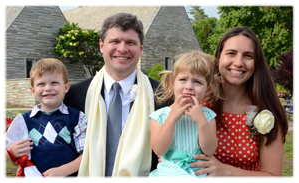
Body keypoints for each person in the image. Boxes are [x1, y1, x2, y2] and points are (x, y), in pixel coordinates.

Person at [63, 13, 170, 176]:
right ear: (101, 46)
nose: (122, 48)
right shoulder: (75, 95)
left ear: (141, 48)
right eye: (114, 41)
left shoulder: (163, 96)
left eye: (130, 42)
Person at [190, 26, 288, 176]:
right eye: (231, 53)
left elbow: (273, 176)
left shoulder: (266, 113)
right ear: (218, 58)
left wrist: (226, 171)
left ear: (257, 63)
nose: (238, 62)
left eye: (248, 56)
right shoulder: (199, 103)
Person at [6, 58, 87, 177]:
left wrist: (63, 171)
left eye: (54, 83)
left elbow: (87, 155)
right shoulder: (24, 121)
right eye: (41, 84)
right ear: (32, 90)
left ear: (66, 87)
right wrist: (11, 153)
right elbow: (18, 160)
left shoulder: (77, 117)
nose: (48, 88)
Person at [149, 50, 220, 177]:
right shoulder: (160, 116)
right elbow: (159, 150)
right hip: (168, 174)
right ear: (172, 83)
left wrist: (201, 122)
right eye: (183, 79)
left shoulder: (208, 116)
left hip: (198, 174)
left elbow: (209, 150)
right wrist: (171, 119)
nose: (189, 86)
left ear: (208, 90)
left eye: (197, 82)